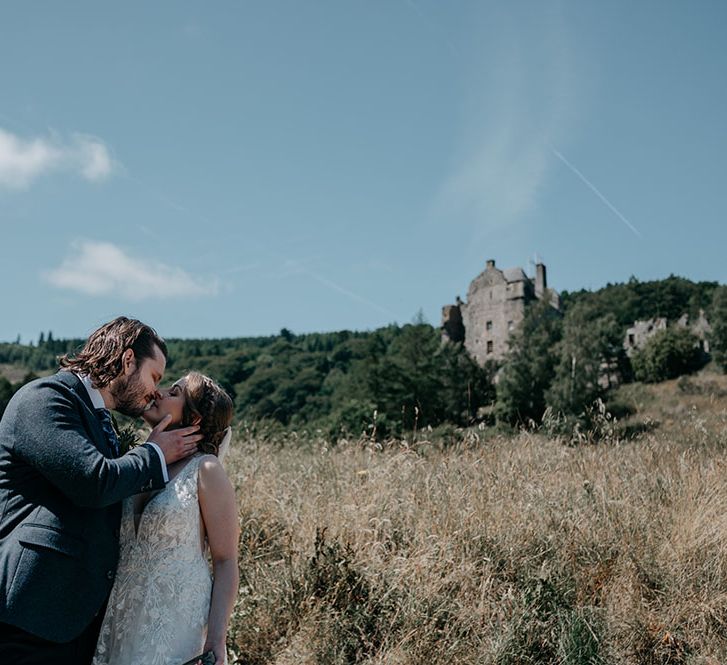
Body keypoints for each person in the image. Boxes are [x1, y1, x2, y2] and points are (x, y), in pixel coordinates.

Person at [0, 317, 202, 665]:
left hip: (79, 623)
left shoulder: (101, 421)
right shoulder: (46, 398)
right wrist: (154, 452)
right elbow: (92, 482)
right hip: (32, 613)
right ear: (127, 361)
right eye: (154, 376)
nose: (156, 390)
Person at [92, 372, 239, 665]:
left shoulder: (205, 470)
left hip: (174, 626)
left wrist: (216, 640)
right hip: (120, 620)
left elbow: (226, 560)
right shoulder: (136, 464)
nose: (157, 392)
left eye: (173, 393)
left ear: (194, 419)